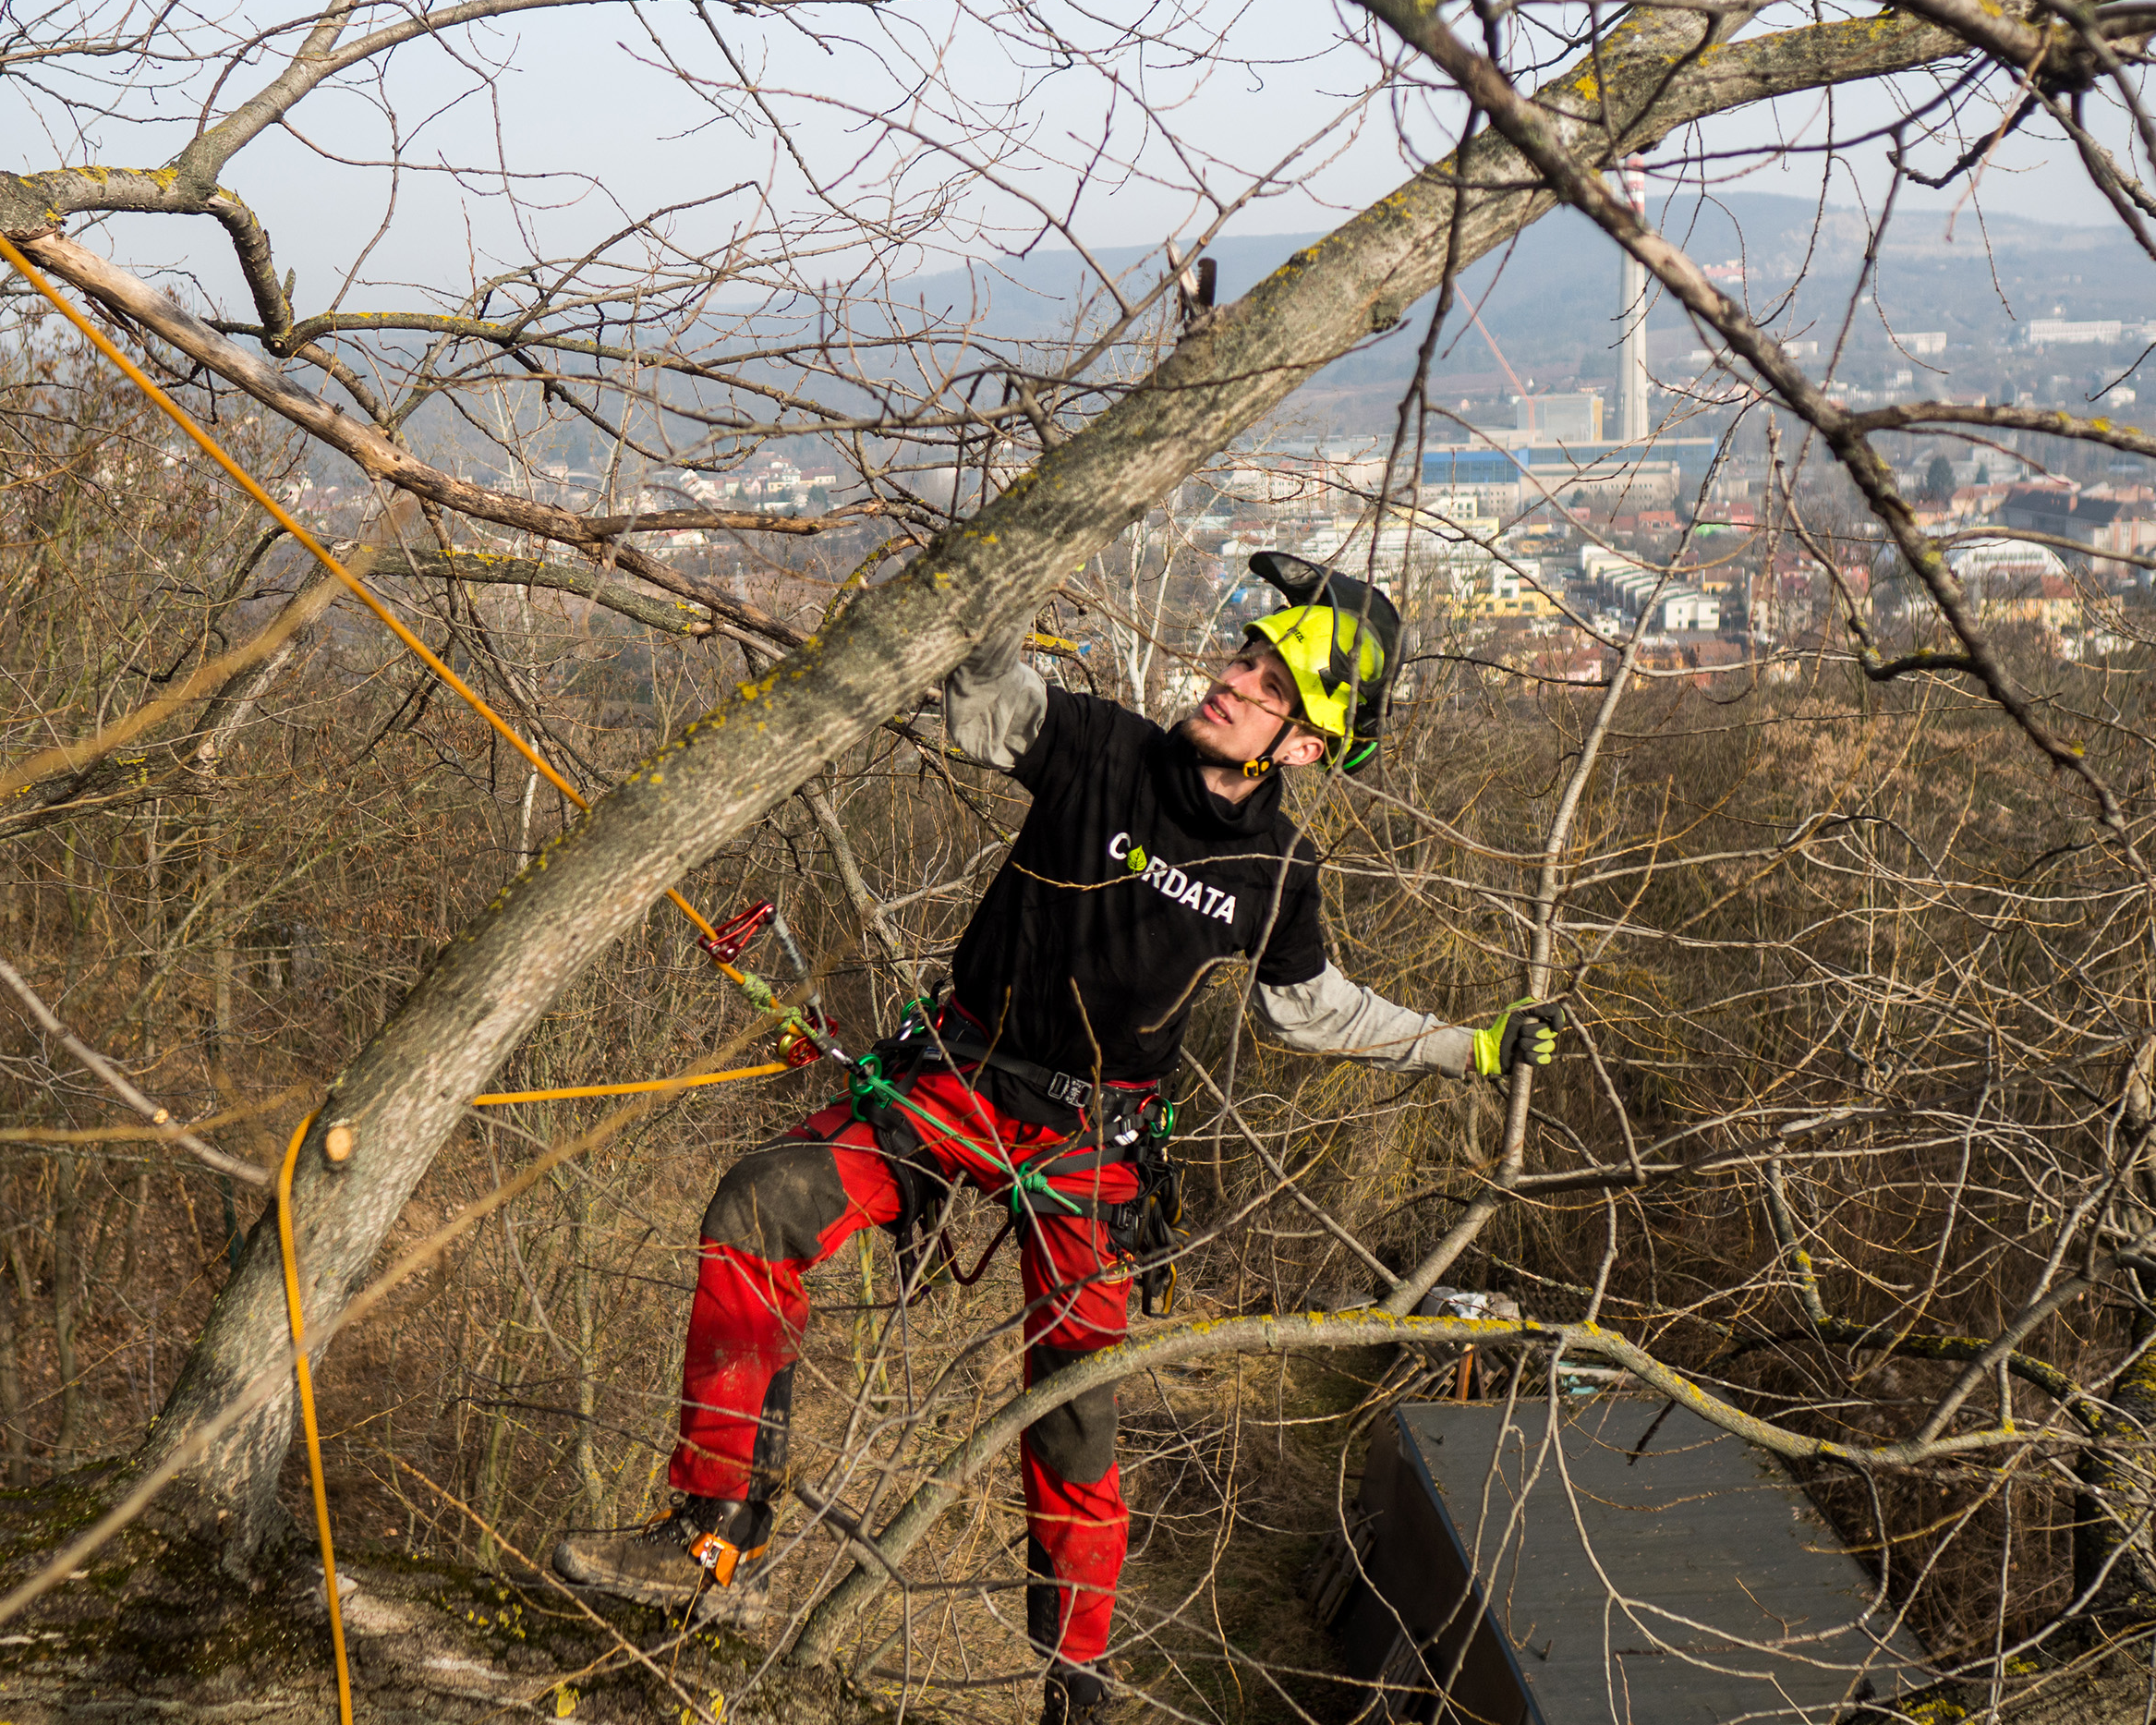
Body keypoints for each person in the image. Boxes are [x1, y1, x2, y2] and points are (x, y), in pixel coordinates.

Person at [553, 552, 1560, 1723]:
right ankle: (715, 1526)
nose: (1232, 680)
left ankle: (1075, 1685)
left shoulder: (1275, 869)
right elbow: (989, 705)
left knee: (1078, 1409)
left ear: (1302, 747)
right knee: (756, 1207)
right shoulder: (1102, 747)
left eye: (1268, 683)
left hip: (1089, 1152)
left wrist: (1469, 1048)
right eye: (1243, 655)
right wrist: (1000, 585)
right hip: (955, 1086)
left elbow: (1314, 1011)